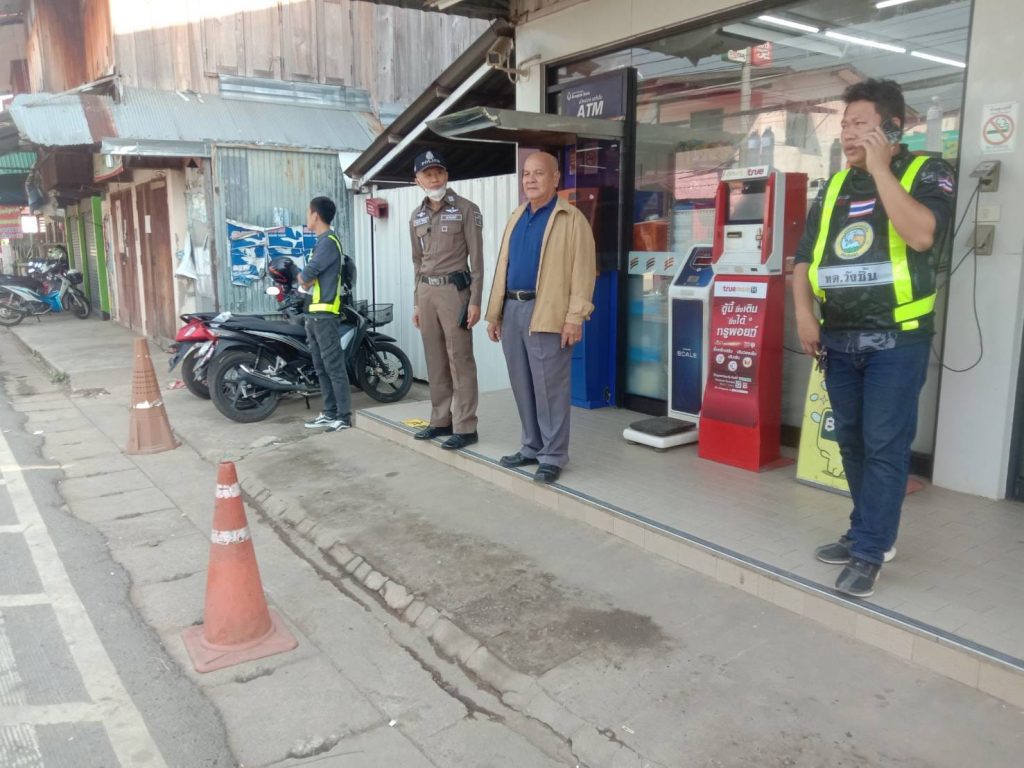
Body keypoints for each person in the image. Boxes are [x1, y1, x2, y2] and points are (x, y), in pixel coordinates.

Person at [792, 79, 955, 598]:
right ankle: (865, 531)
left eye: (860, 124)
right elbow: (804, 258)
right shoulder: (834, 186)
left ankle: (870, 550)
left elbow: (922, 235)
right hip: (838, 339)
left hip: (897, 340)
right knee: (852, 442)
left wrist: (883, 170)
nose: (847, 133)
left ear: (892, 128)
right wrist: (804, 315)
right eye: (844, 125)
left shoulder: (927, 172)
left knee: (885, 445)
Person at [485, 152, 596, 484]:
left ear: (556, 178)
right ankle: (531, 446)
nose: (530, 179)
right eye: (526, 173)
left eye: (539, 173)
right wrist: (495, 313)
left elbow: (583, 272)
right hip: (513, 309)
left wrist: (575, 317)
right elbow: (503, 266)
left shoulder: (571, 219)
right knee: (522, 384)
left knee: (550, 388)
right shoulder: (517, 216)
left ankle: (553, 455)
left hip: (547, 311)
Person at [409, 150, 484, 450]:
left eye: (438, 172)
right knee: (435, 358)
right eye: (427, 174)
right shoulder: (416, 216)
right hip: (426, 292)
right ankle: (441, 420)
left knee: (459, 358)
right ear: (417, 180)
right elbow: (417, 261)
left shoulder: (466, 209)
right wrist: (417, 302)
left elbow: (477, 261)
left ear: (446, 175)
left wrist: (475, 300)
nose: (434, 178)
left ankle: (466, 426)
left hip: (455, 292)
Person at [297, 196, 353, 432]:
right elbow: (309, 280)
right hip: (314, 314)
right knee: (320, 367)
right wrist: (305, 280)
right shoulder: (321, 242)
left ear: (315, 215)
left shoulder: (328, 242)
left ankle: (344, 416)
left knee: (334, 367)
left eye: (308, 213)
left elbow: (306, 276)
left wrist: (303, 278)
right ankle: (330, 412)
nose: (306, 217)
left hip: (325, 315)